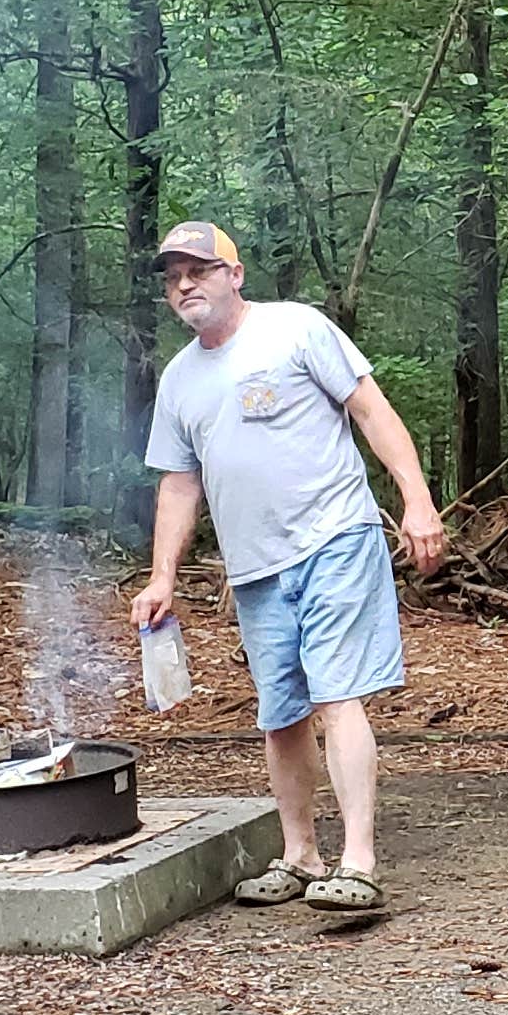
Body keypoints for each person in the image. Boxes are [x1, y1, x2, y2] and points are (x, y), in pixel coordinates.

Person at [130, 224, 448, 918]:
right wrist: (162, 577)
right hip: (256, 568)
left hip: (335, 535)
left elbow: (373, 411)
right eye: (172, 275)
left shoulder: (296, 330)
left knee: (337, 695)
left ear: (234, 274)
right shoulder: (181, 379)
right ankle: (300, 854)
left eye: (199, 270)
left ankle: (357, 862)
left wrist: (417, 503)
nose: (184, 284)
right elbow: (179, 484)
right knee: (281, 715)